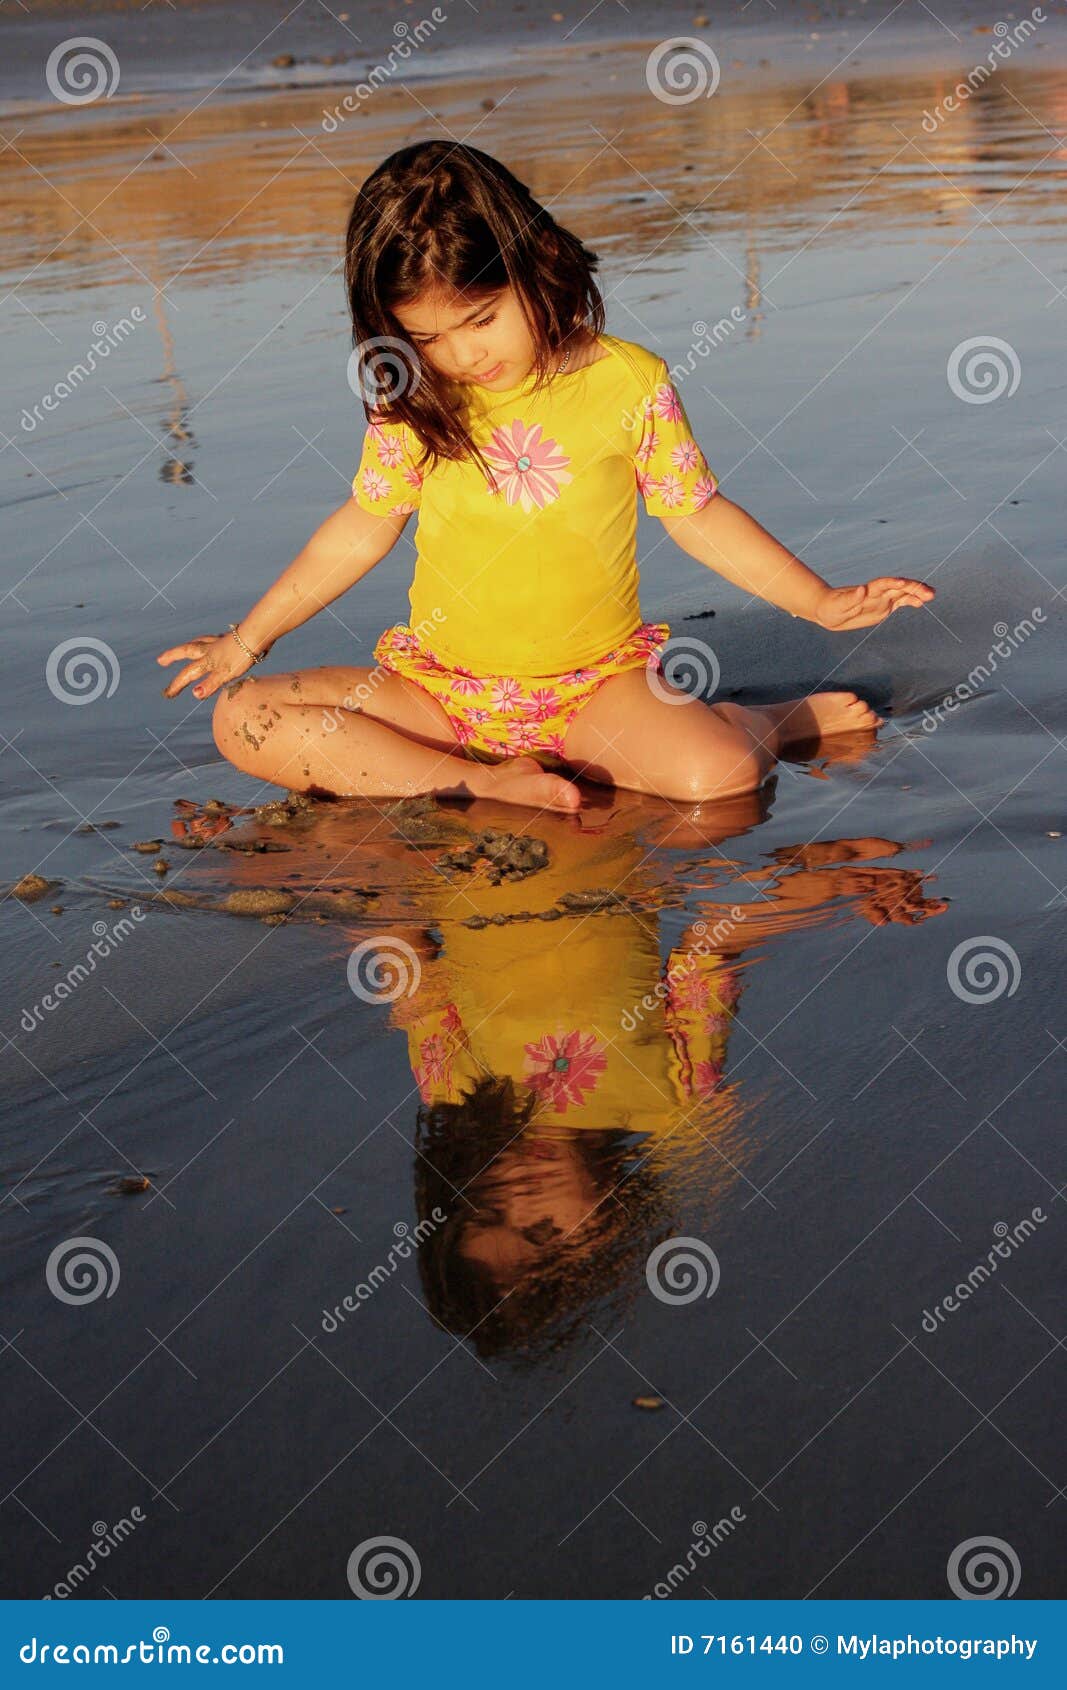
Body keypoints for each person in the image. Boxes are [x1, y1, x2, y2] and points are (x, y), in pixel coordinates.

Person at [157, 140, 934, 817]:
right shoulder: (415, 399)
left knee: (720, 778)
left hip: (593, 692)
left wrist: (820, 603)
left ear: (536, 264)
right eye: (426, 335)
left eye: (482, 318)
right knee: (243, 718)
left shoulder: (627, 383)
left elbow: (694, 513)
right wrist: (246, 640)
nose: (462, 356)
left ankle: (772, 721)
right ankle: (471, 783)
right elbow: (364, 525)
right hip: (441, 694)